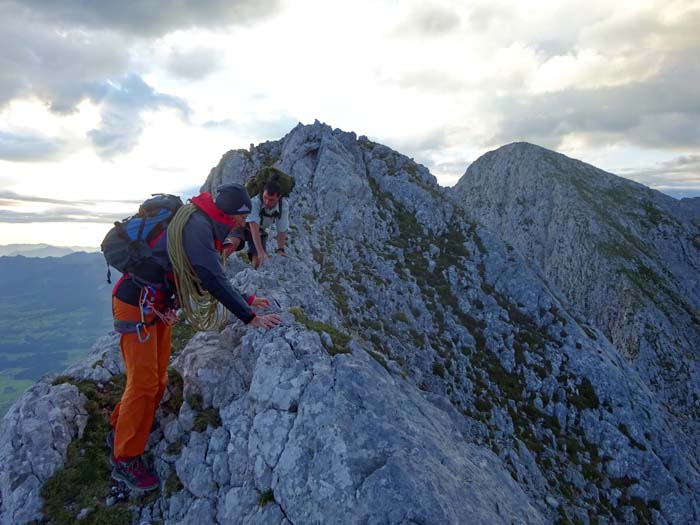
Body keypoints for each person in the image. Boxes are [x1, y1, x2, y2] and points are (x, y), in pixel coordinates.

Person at [108, 183, 281, 491]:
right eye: (242, 217)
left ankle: (119, 426)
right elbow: (212, 278)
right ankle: (124, 458)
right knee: (144, 383)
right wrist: (249, 316)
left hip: (155, 305)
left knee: (157, 378)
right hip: (136, 305)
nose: (243, 223)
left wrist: (247, 298)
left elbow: (200, 276)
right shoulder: (198, 228)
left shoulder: (202, 222)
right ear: (233, 215)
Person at [224, 181, 289, 268]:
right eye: (265, 197)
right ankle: (216, 263)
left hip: (260, 231)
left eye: (271, 199)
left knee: (259, 262)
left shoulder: (283, 206)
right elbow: (254, 227)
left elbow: (281, 229)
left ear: (279, 197)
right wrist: (261, 252)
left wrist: (280, 249)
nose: (267, 202)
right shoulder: (255, 202)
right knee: (233, 243)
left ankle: (253, 273)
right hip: (242, 225)